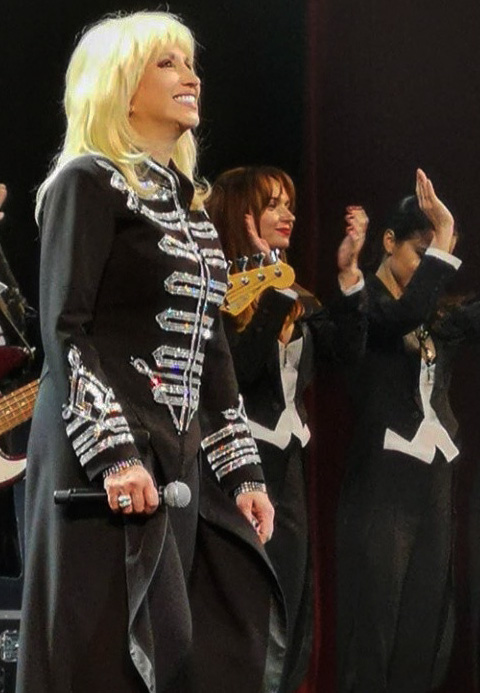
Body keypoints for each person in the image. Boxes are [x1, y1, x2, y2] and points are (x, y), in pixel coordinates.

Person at [16, 12, 280, 693]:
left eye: (190, 63)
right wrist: (115, 454)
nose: (190, 76)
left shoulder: (191, 209)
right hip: (99, 460)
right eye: (167, 63)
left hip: (173, 460)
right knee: (100, 655)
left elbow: (209, 350)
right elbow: (65, 328)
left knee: (174, 652)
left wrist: (243, 474)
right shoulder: (85, 181)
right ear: (120, 87)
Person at [206, 165, 367, 692]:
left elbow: (346, 354)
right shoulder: (218, 293)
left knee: (292, 606)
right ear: (242, 215)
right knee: (247, 610)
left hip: (288, 465)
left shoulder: (295, 295)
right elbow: (239, 371)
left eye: (288, 203)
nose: (288, 214)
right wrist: (273, 286)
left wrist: (348, 274)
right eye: (273, 204)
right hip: (234, 467)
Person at [336, 168, 480, 693]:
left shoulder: (438, 316)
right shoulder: (364, 305)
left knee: (427, 620)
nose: (431, 268)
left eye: (438, 255)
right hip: (382, 485)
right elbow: (400, 316)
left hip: (433, 479)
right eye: (423, 253)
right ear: (388, 241)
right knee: (376, 619)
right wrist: (444, 236)